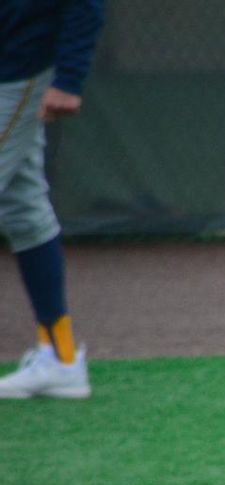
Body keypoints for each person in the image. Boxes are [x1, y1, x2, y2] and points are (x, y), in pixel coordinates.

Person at [0, 0, 105, 401]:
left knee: (24, 209)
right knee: (25, 211)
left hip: (18, 70)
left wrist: (70, 79)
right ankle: (60, 360)